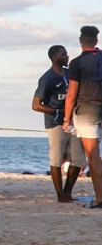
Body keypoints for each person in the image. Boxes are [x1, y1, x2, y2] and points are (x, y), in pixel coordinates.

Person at [33, 44, 85, 202]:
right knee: (56, 159)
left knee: (78, 159)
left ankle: (67, 192)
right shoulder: (47, 78)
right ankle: (60, 196)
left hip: (74, 122)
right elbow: (36, 105)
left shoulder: (70, 74)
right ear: (55, 57)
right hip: (55, 123)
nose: (67, 56)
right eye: (64, 54)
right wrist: (59, 112)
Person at [62, 26, 102, 209]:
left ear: (81, 40)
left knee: (93, 156)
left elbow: (71, 94)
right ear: (96, 40)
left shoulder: (77, 63)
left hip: (87, 109)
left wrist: (66, 118)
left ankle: (100, 198)